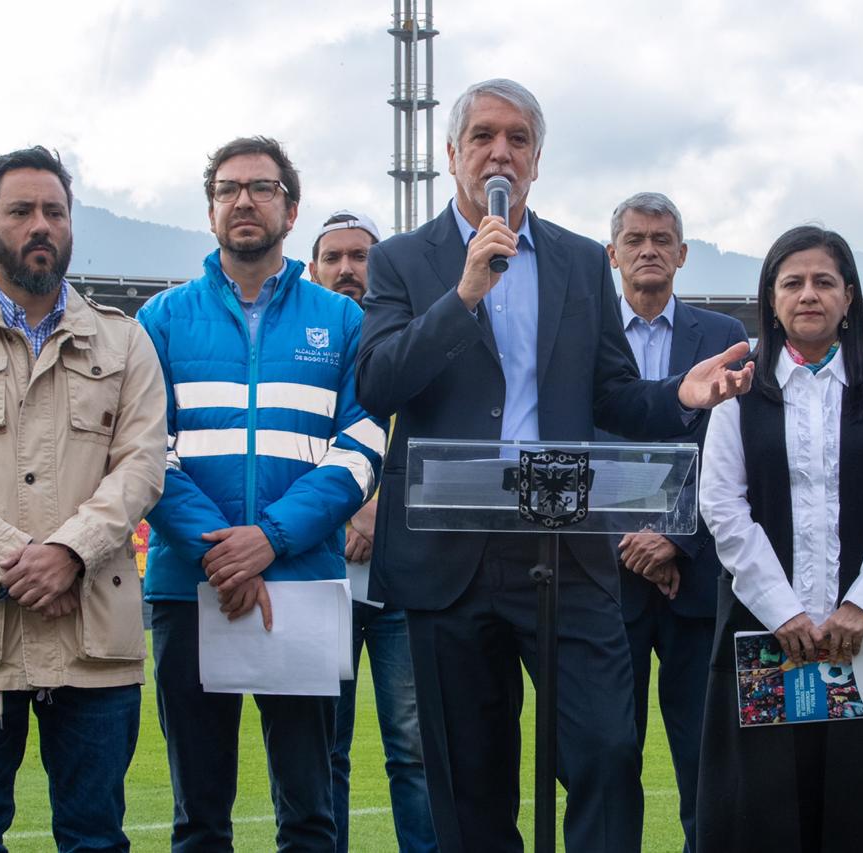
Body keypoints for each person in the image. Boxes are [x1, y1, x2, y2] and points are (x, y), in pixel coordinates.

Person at [355, 78, 751, 853]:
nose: (501, 151)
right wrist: (464, 293)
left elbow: (610, 393)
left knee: (606, 748)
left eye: (518, 139)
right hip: (447, 556)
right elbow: (379, 382)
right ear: (452, 155)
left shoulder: (575, 259)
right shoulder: (403, 261)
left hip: (566, 546)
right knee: (472, 782)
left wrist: (682, 393)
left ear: (536, 159)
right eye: (484, 137)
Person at [0, 146, 166, 852]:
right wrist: (16, 555)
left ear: (72, 223)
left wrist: (71, 551)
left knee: (95, 836)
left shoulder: (126, 341)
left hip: (92, 637)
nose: (40, 224)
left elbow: (141, 467)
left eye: (54, 211)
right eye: (21, 211)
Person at [137, 137, 386, 852]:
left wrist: (268, 539)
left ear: (291, 207)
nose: (244, 200)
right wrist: (223, 551)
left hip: (303, 581)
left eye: (262, 187)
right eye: (228, 188)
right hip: (191, 585)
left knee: (310, 811)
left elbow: (362, 448)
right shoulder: (162, 319)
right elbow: (147, 450)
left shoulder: (342, 322)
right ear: (211, 209)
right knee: (198, 815)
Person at [697, 225, 863, 852]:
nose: (809, 294)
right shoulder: (740, 389)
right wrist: (784, 611)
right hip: (763, 632)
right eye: (792, 282)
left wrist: (860, 602)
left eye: (824, 281)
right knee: (765, 810)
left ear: (849, 297)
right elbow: (723, 508)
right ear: (771, 299)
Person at [599, 191, 747, 853]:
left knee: (707, 760)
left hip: (700, 580)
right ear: (613, 254)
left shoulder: (722, 339)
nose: (649, 249)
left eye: (662, 238)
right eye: (635, 239)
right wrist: (625, 541)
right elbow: (572, 444)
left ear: (683, 254)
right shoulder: (581, 336)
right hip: (605, 581)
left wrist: (676, 539)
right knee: (605, 758)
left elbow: (739, 456)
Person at [308, 209, 437, 852]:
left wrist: (380, 504)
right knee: (323, 748)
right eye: (333, 257)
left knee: (413, 750)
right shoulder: (301, 349)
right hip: (319, 574)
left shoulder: (409, 339)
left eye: (360, 257)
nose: (347, 270)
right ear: (312, 269)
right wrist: (345, 510)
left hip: (399, 581)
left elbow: (439, 440)